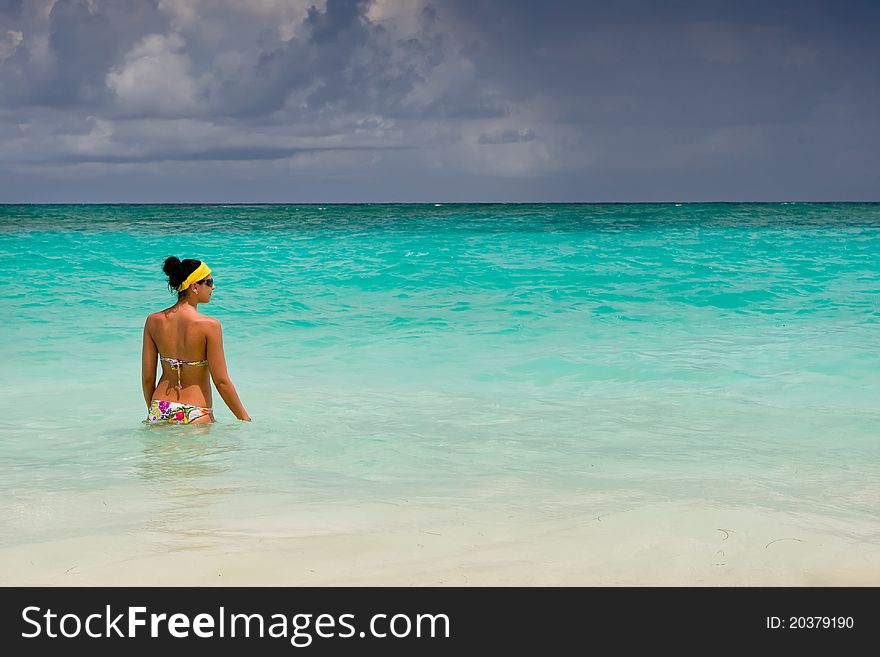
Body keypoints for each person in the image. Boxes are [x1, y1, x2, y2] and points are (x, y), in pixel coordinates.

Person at [142, 257, 251, 424]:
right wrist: (244, 419)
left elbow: (148, 379)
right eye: (209, 282)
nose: (213, 287)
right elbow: (221, 382)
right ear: (194, 287)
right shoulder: (209, 326)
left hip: (160, 407)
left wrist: (155, 412)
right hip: (196, 411)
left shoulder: (153, 321)